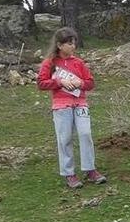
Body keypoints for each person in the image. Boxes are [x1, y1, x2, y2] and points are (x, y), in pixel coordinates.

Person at [37, 27, 107, 189]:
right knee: (65, 138)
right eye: (69, 44)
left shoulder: (79, 63)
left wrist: (81, 83)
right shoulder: (50, 63)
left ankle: (90, 170)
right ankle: (69, 173)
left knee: (85, 134)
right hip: (61, 105)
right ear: (60, 45)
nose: (73, 47)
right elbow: (41, 83)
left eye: (74, 43)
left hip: (80, 103)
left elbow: (90, 83)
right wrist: (59, 82)